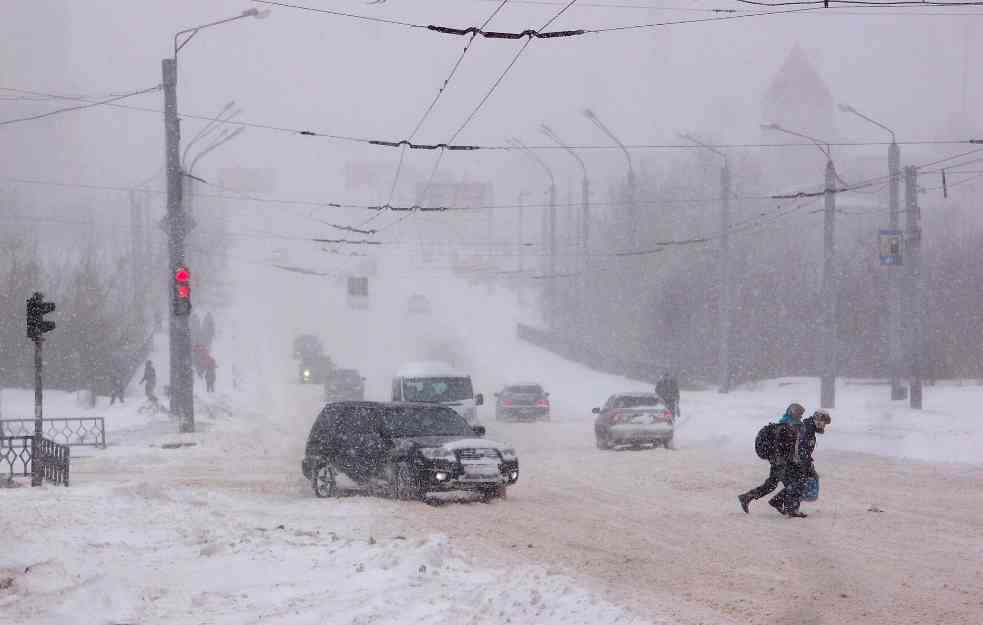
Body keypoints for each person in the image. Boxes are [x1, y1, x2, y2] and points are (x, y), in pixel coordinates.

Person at [738, 402, 805, 514]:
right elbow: (782, 447)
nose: (800, 416)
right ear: (793, 413)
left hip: (780, 460)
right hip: (780, 461)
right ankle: (790, 508)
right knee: (790, 484)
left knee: (775, 484)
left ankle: (748, 497)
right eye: (799, 414)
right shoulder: (784, 427)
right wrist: (784, 461)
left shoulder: (788, 425)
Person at [769, 410, 831, 518]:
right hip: (795, 461)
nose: (824, 426)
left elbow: (802, 449)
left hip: (796, 460)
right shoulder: (807, 429)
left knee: (799, 483)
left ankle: (782, 503)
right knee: (800, 483)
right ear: (818, 421)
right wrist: (804, 464)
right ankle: (788, 507)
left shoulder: (808, 427)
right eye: (824, 423)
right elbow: (800, 448)